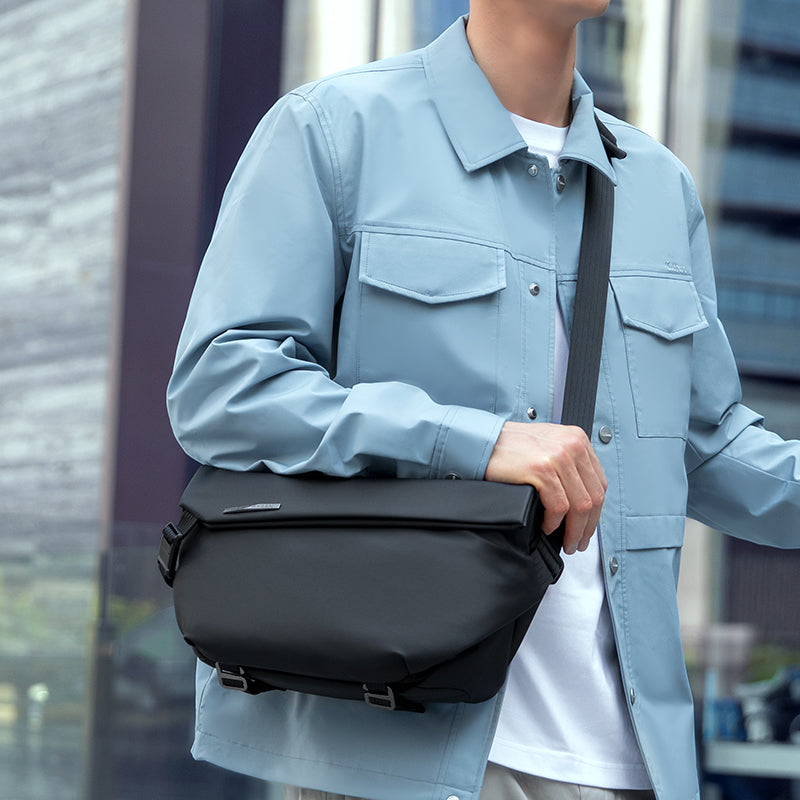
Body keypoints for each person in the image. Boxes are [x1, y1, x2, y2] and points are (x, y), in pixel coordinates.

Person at [166, 1, 800, 799]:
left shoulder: (657, 187)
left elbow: (707, 447)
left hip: (631, 763)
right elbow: (221, 385)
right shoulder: (333, 131)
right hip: (399, 750)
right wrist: (472, 441)